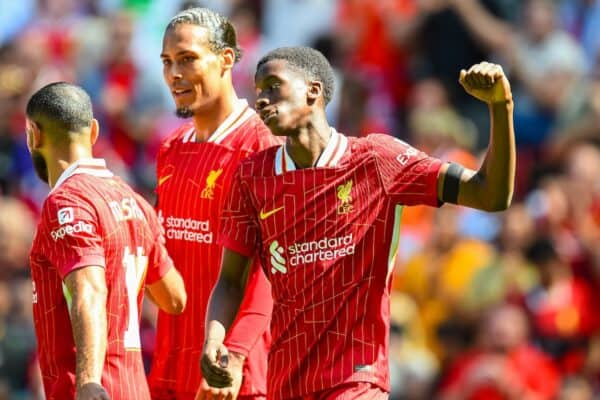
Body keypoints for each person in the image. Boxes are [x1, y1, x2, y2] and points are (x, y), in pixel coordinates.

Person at [202, 46, 516, 399]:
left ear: (313, 90)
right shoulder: (252, 178)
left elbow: (491, 195)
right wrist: (215, 339)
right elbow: (231, 280)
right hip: (287, 382)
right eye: (258, 91)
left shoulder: (376, 161)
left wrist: (500, 107)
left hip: (357, 381)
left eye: (273, 86)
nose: (261, 99)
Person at [150, 7, 281, 400]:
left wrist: (235, 356)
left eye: (188, 59)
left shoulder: (262, 147)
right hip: (173, 369)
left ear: (226, 59)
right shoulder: (171, 149)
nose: (175, 73)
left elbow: (271, 271)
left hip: (235, 377)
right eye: (167, 62)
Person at [26, 82, 187, 400]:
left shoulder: (67, 202)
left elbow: (89, 289)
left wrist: (88, 382)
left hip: (93, 393)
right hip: (135, 390)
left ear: (34, 135)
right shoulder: (136, 202)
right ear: (94, 132)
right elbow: (174, 298)